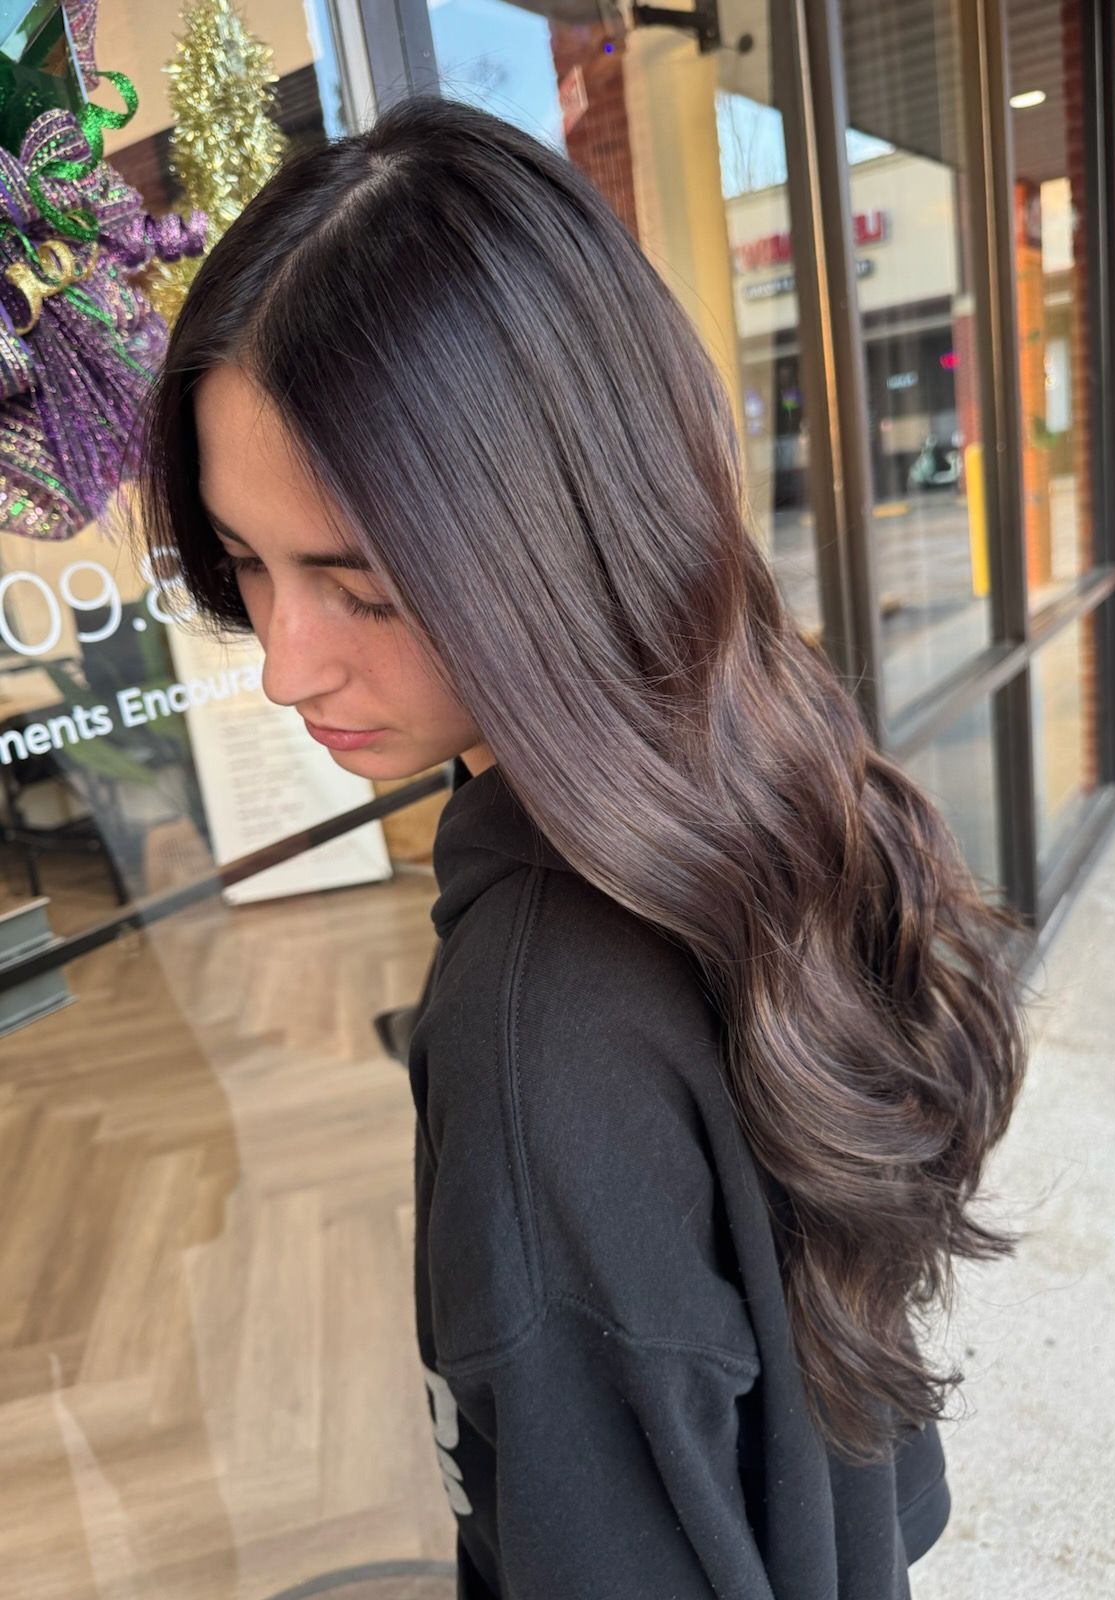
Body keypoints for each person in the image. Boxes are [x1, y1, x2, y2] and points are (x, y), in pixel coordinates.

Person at [135, 94, 1028, 1600]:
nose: (285, 664)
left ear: (552, 535)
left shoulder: (533, 1040)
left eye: (363, 587)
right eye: (246, 565)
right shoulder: (746, 764)